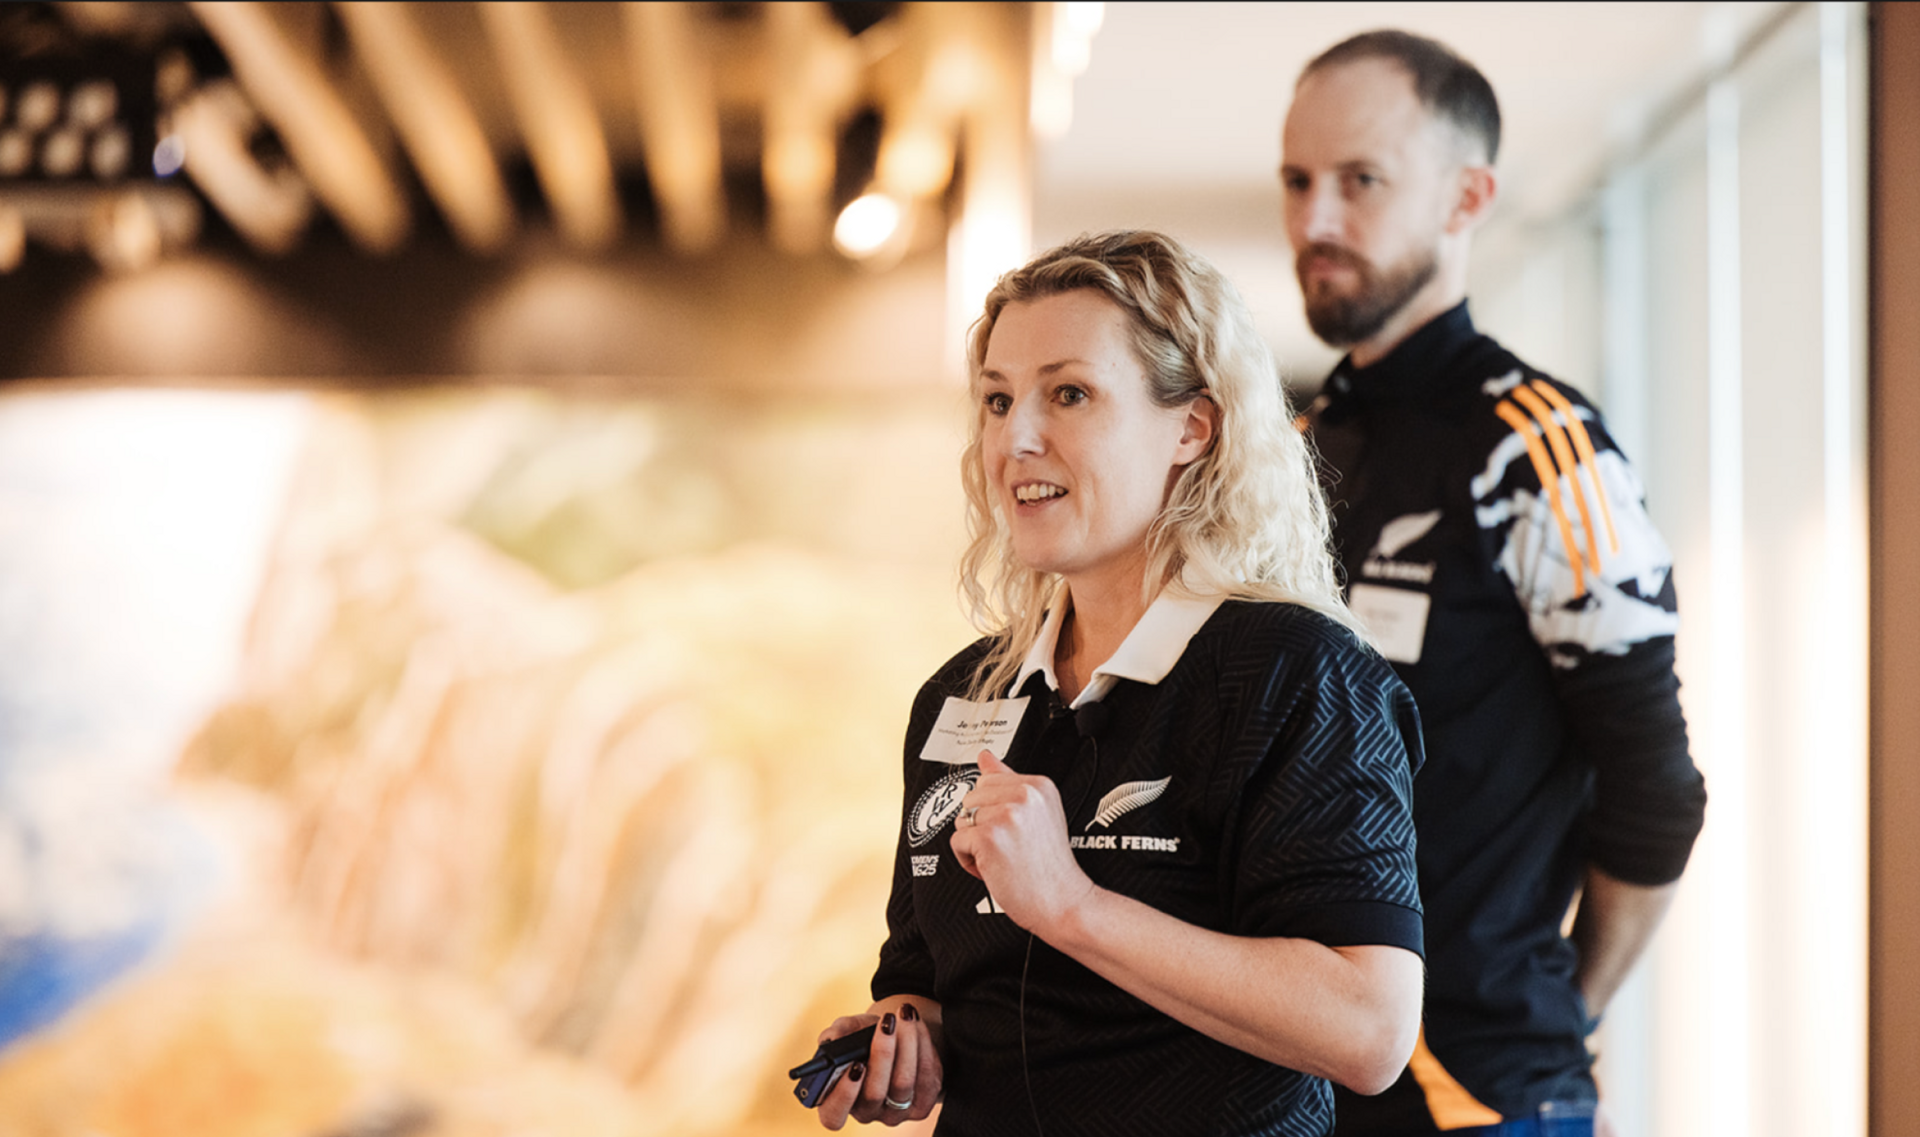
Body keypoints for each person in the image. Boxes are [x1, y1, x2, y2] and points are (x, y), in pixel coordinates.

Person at [806, 230, 1426, 1136]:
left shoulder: (1301, 675)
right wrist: (901, 1044)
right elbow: (929, 980)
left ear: (1192, 426)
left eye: (1068, 393)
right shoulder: (960, 699)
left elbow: (1369, 1029)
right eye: (995, 399)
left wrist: (1073, 906)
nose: (1016, 437)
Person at [1279, 30, 1709, 1137]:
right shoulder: (1296, 452)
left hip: (1482, 1093)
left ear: (1468, 198)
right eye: (1297, 181)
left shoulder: (1540, 447)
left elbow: (1657, 789)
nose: (1315, 221)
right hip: (1296, 1083)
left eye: (1360, 181)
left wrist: (1561, 1016)